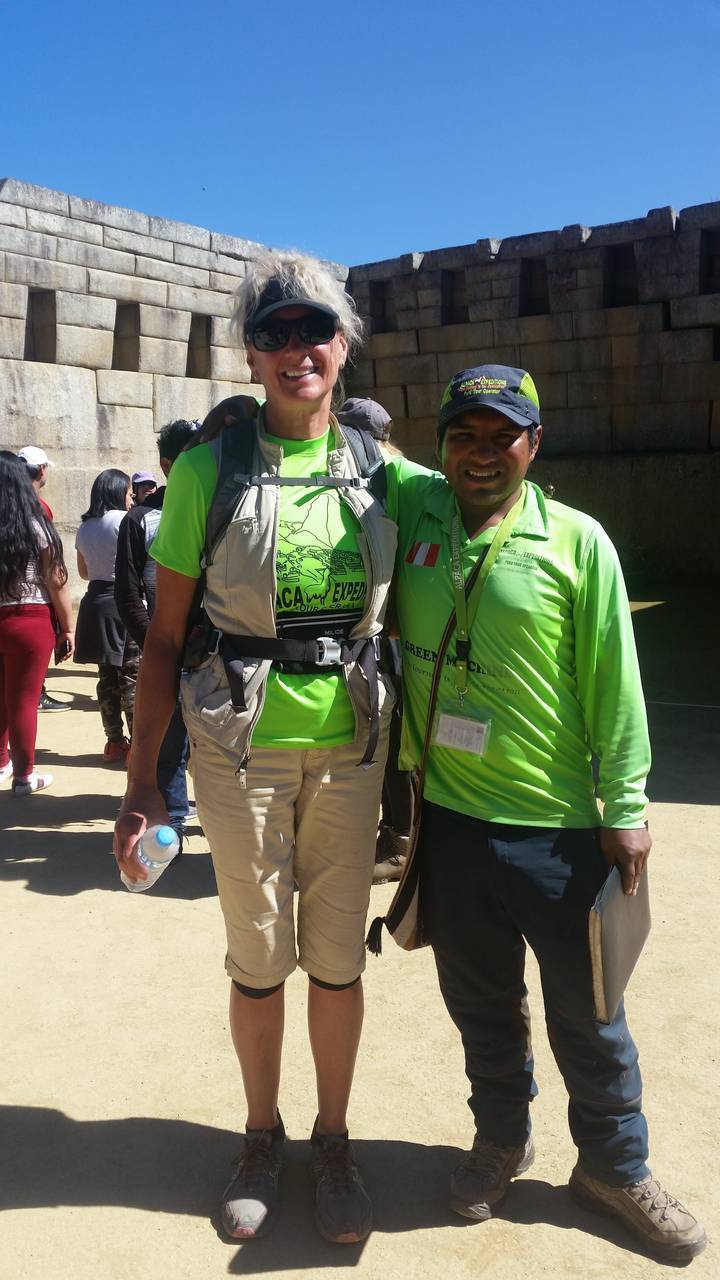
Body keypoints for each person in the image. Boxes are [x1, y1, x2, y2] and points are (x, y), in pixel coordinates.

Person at [114, 250, 414, 1245]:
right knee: (256, 956)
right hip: (238, 751)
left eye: (315, 328)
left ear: (344, 343)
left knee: (334, 958)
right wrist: (141, 789)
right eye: (276, 332)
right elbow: (161, 639)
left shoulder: (383, 471)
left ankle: (331, 1137)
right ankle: (258, 1132)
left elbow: (474, 519)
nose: (298, 349)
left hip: (351, 751)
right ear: (251, 350)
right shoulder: (208, 471)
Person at [388, 364, 706, 1262]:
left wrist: (628, 805)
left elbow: (616, 685)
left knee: (590, 1014)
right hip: (449, 824)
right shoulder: (417, 514)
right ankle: (501, 1140)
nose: (482, 454)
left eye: (503, 437)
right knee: (480, 1003)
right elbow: (334, 434)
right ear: (440, 443)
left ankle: (613, 1165)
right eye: (464, 435)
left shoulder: (577, 541)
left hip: (559, 828)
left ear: (535, 443)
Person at [336, 397, 413, 884]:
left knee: (386, 739)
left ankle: (400, 843)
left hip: (378, 630)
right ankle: (398, 837)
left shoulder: (371, 474)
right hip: (403, 626)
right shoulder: (407, 473)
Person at [114, 420, 201, 847]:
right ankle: (175, 820)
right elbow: (129, 592)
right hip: (164, 646)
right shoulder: (141, 520)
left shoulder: (218, 509)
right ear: (168, 464)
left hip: (213, 650)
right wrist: (158, 642)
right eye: (190, 455)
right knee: (169, 741)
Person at [0, 452, 74, 794]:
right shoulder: (35, 525)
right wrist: (68, 627)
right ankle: (24, 776)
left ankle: (2, 762)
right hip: (30, 619)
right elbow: (55, 578)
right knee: (25, 700)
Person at [74, 469, 136, 764]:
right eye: (128, 492)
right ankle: (139, 746)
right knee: (132, 677)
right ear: (116, 492)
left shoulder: (85, 527)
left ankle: (114, 742)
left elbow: (84, 572)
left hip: (95, 603)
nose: (132, 498)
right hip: (123, 604)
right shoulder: (124, 522)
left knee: (106, 677)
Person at [18, 444, 70, 712]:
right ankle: (38, 693)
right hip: (34, 601)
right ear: (40, 470)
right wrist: (66, 626)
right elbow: (53, 570)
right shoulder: (40, 509)